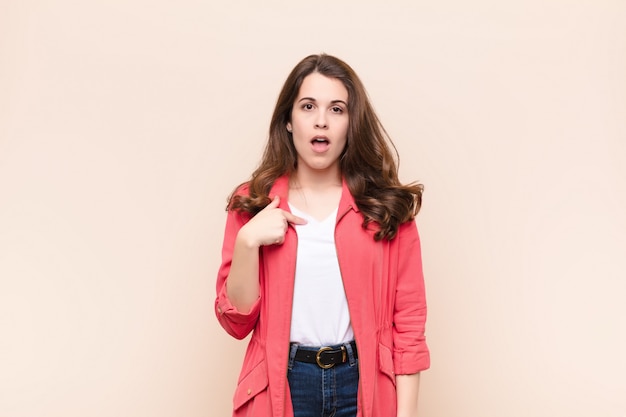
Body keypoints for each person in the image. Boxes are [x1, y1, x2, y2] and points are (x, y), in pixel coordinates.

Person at [215, 53, 430, 417]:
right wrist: (247, 242)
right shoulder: (252, 203)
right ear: (287, 120)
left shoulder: (384, 207)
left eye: (336, 109)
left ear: (351, 122)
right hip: (283, 381)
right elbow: (236, 323)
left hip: (360, 383)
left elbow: (408, 327)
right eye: (308, 106)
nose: (321, 121)